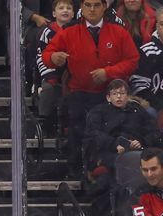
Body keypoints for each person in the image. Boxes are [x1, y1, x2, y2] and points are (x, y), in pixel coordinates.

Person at [41, 0, 139, 178]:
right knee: (77, 126)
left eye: (96, 5)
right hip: (79, 92)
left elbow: (132, 60)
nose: (92, 9)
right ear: (82, 8)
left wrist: (108, 72)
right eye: (88, 5)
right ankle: (76, 168)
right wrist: (53, 57)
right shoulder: (69, 32)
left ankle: (102, 169)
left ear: (104, 7)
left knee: (110, 128)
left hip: (109, 94)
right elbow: (47, 54)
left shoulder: (118, 32)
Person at [83, 79, 161, 184]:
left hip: (138, 152)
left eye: (122, 93)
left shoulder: (138, 110)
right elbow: (94, 134)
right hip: (107, 153)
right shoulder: (99, 112)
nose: (119, 97)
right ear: (108, 97)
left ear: (128, 96)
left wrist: (141, 141)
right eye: (115, 94)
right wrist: (114, 144)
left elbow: (153, 131)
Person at [35, 0, 75, 134]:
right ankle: (43, 125)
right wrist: (49, 76)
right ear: (53, 13)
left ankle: (70, 127)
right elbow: (41, 56)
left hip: (72, 74)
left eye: (69, 8)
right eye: (61, 8)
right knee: (48, 88)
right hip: (52, 73)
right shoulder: (47, 32)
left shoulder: (77, 31)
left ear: (73, 13)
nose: (65, 10)